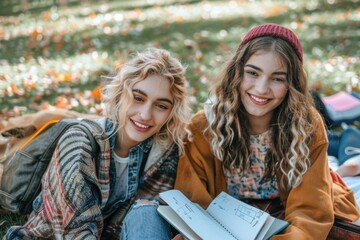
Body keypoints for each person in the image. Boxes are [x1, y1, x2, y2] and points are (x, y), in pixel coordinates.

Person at [174, 23, 360, 239]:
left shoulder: (307, 125)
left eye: (278, 78)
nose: (262, 89)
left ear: (292, 84)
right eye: (253, 73)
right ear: (237, 71)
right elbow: (193, 202)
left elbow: (309, 213)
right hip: (224, 225)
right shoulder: (202, 128)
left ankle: (340, 170)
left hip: (288, 217)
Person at [4, 48, 191, 239]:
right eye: (138, 98)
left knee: (147, 213)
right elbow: (76, 231)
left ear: (171, 113)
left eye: (161, 106)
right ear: (120, 95)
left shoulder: (163, 151)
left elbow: (142, 221)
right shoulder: (78, 142)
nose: (145, 114)